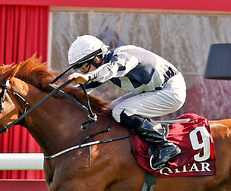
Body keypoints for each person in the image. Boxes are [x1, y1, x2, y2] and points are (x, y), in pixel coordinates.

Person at [66, 35, 186, 170]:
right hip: (151, 89)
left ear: (97, 59)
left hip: (171, 90)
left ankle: (165, 146)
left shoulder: (122, 57)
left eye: (83, 68)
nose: (82, 72)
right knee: (107, 111)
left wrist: (88, 76)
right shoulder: (102, 66)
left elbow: (110, 69)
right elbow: (80, 90)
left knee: (121, 111)